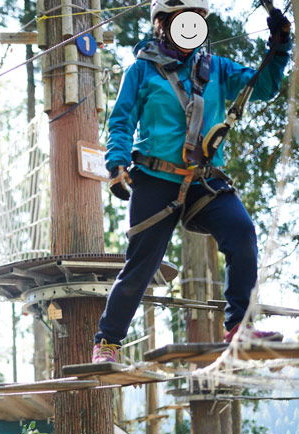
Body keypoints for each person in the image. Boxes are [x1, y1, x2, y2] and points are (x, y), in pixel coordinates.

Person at [92, 0, 291, 363]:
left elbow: (261, 87)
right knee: (142, 263)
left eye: (197, 21)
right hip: (155, 178)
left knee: (242, 232)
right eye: (184, 20)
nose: (191, 28)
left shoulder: (217, 69)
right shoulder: (142, 70)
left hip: (203, 181)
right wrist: (117, 163)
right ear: (163, 25)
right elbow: (122, 120)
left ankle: (239, 327)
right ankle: (108, 341)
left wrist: (278, 47)